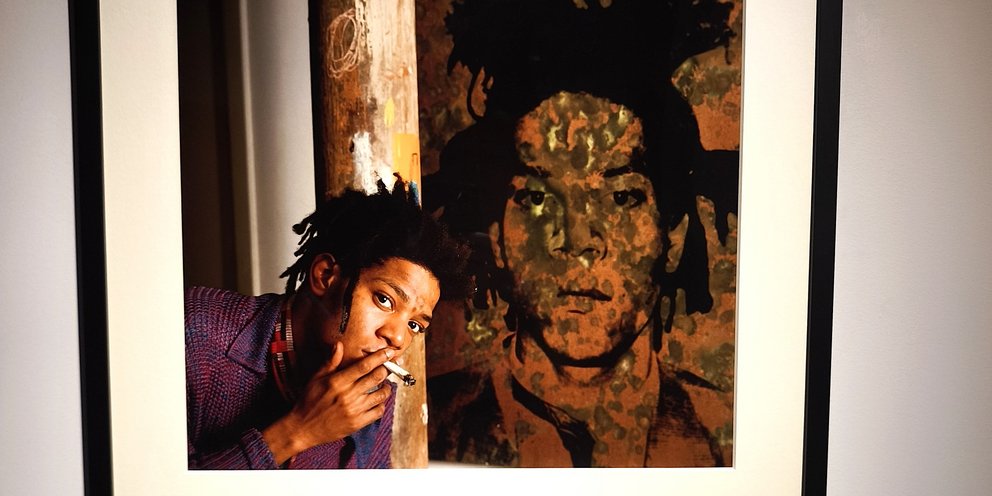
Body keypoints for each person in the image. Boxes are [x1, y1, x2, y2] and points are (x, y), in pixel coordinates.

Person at [421, 0, 738, 467]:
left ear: (673, 237)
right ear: (498, 237)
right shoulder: (423, 427)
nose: (577, 240)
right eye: (537, 198)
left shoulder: (729, 435)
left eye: (621, 198)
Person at [185, 183, 471, 469]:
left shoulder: (371, 396)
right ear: (324, 276)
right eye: (384, 300)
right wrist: (298, 431)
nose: (397, 337)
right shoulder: (197, 330)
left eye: (414, 325)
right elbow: (161, 484)